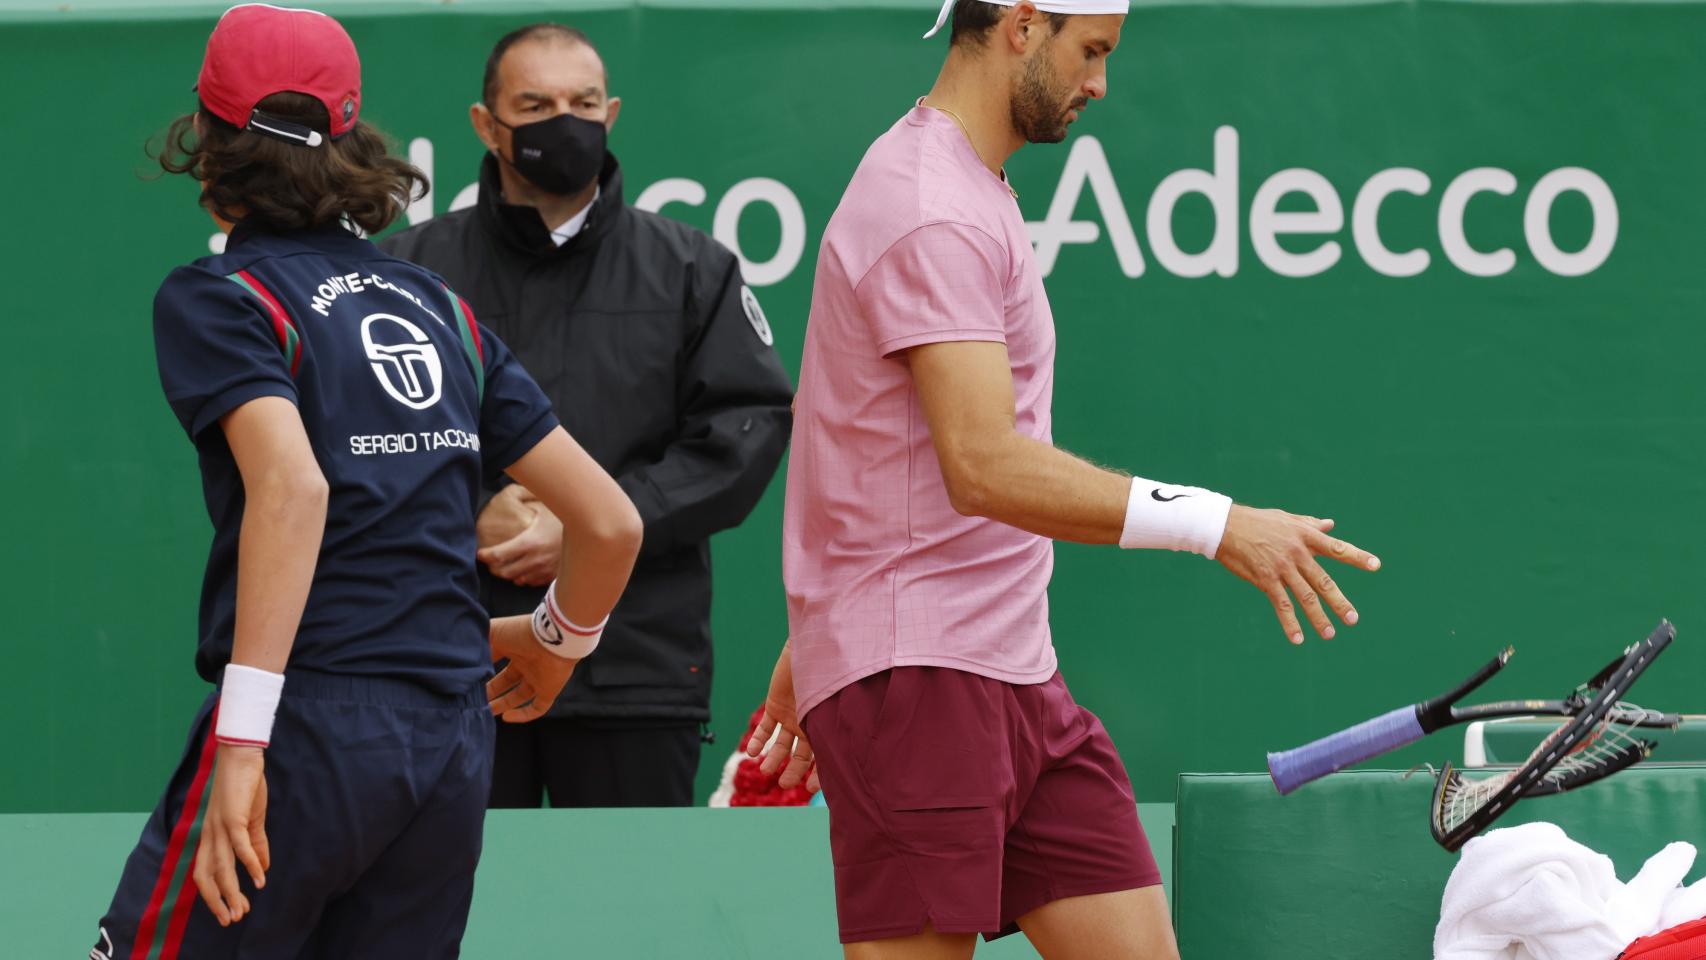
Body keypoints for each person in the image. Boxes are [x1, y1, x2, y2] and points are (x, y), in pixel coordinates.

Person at [746, 1, 1384, 957]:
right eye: (1091, 51)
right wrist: (1218, 524)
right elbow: (981, 465)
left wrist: (818, 635)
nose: (1100, 82)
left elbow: (880, 441)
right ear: (1022, 25)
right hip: (920, 682)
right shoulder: (927, 204)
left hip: (1011, 674)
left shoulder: (969, 184)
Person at [92, 5, 642, 958]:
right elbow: (610, 523)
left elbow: (293, 490)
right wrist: (557, 643)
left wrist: (243, 742)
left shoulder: (222, 297)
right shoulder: (436, 302)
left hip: (302, 726)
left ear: (210, 140)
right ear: (349, 138)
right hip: (447, 744)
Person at [382, 23, 794, 809]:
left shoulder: (691, 270)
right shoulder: (409, 274)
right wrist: (465, 515)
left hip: (635, 672)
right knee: (442, 926)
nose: (563, 120)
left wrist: (594, 528)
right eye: (535, 104)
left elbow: (745, 431)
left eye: (582, 102)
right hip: (448, 662)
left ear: (611, 115)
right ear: (485, 123)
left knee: (629, 926)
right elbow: (355, 444)